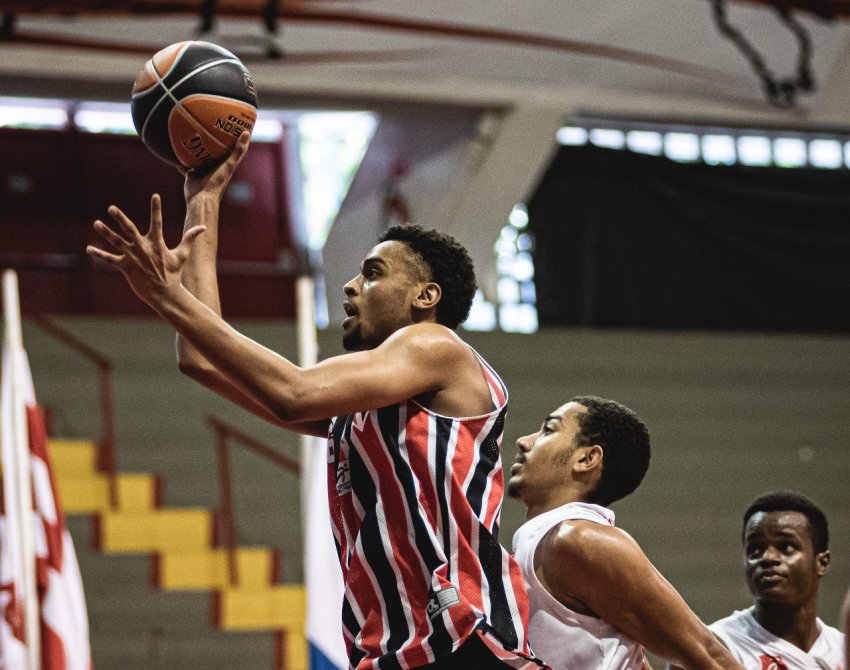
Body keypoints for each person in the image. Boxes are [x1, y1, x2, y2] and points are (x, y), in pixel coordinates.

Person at [86, 133, 544, 670]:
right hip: (393, 651)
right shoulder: (365, 407)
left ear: (427, 297)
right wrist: (203, 203)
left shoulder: (436, 346)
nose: (351, 286)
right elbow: (203, 362)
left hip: (464, 639)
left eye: (373, 274)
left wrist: (168, 297)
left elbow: (292, 392)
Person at [508, 395, 743, 670]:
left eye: (548, 430)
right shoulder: (538, 540)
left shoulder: (579, 539)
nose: (524, 441)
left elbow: (710, 656)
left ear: (587, 458)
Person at [708, 491, 846, 670]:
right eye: (755, 549)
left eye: (785, 546)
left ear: (821, 563)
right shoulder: (719, 644)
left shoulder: (842, 650)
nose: (767, 558)